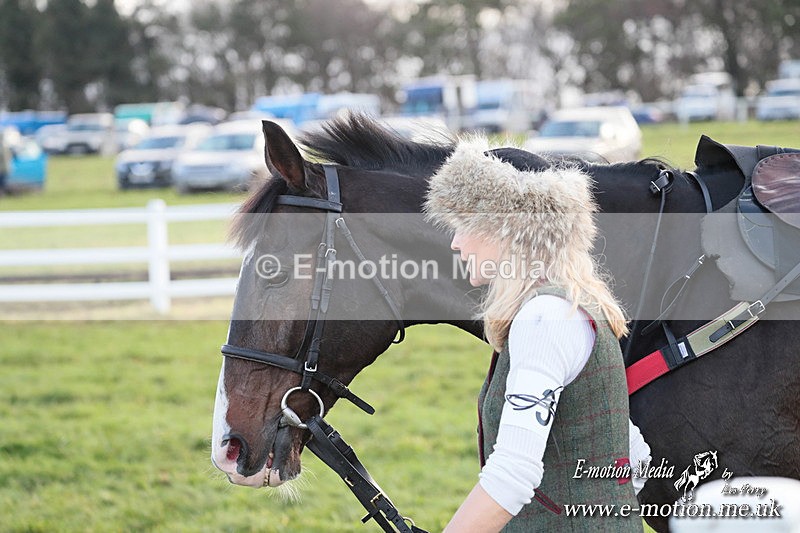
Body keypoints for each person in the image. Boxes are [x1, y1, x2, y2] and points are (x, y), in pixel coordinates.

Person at [423, 137, 650, 532]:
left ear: (510, 229)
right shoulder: (579, 305)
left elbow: (511, 476)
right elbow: (635, 458)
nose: (456, 243)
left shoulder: (544, 319)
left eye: (465, 225)